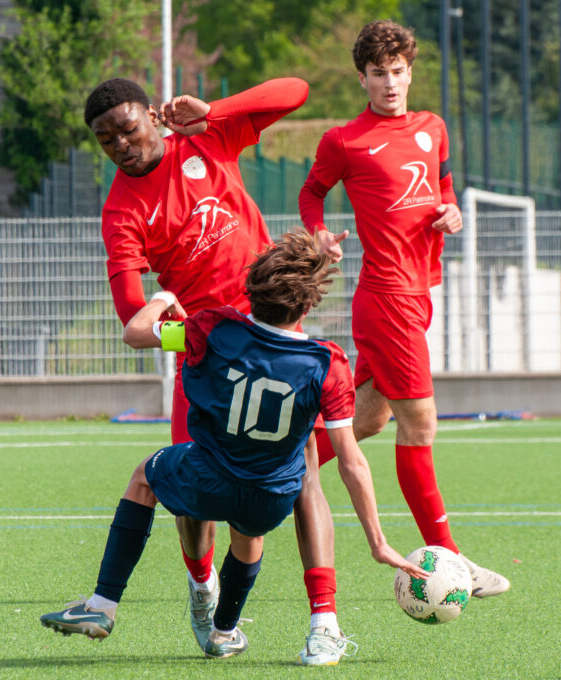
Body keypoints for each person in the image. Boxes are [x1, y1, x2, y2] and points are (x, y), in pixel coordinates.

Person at [39, 231, 428, 660]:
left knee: (145, 478)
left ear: (250, 289)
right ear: (308, 305)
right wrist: (378, 541)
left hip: (207, 480)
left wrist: (164, 297)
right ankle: (230, 632)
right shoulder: (327, 363)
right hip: (270, 498)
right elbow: (351, 462)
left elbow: (135, 333)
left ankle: (103, 604)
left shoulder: (211, 328)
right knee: (258, 522)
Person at [82, 76, 349, 664]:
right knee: (192, 498)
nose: (121, 144)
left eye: (127, 128)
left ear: (153, 115)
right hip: (207, 355)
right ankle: (203, 587)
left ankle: (324, 621)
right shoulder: (122, 210)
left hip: (273, 334)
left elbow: (297, 91)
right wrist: (189, 332)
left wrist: (214, 110)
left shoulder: (207, 137)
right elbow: (132, 313)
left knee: (304, 472)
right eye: (106, 139)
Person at [299, 19, 510, 597]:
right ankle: (453, 560)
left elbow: (444, 189)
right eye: (378, 73)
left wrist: (452, 212)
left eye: (397, 71)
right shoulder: (345, 140)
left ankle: (272, 472)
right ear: (362, 78)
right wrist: (319, 233)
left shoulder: (432, 128)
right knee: (420, 426)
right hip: (386, 297)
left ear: (410, 72)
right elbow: (311, 192)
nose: (389, 83)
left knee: (368, 419)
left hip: (418, 294)